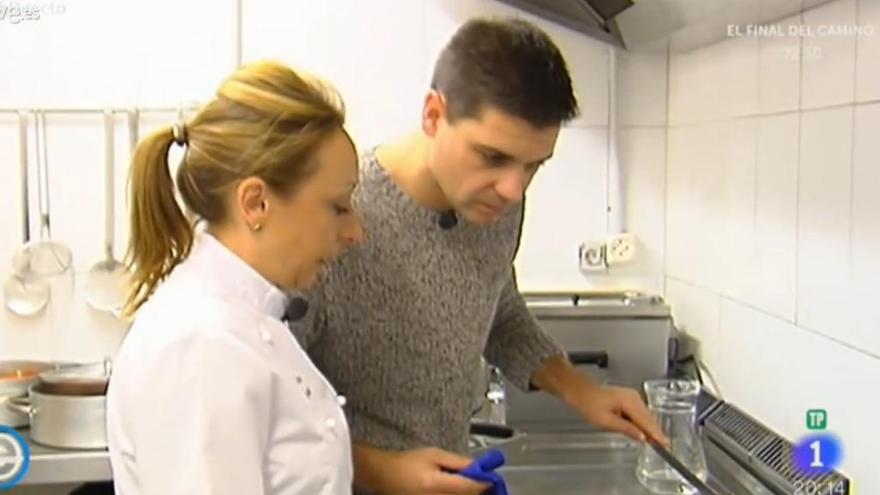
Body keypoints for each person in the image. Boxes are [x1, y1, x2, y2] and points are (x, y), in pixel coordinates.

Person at [290, 18, 670, 495]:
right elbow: (275, 406)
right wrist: (377, 471)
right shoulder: (340, 215)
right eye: (493, 157)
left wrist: (581, 391)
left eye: (533, 165)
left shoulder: (496, 206)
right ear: (433, 114)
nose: (513, 188)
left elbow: (499, 310)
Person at [106, 60, 364, 495]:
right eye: (338, 206)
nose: (356, 232)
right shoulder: (203, 344)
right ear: (255, 203)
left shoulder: (246, 319)